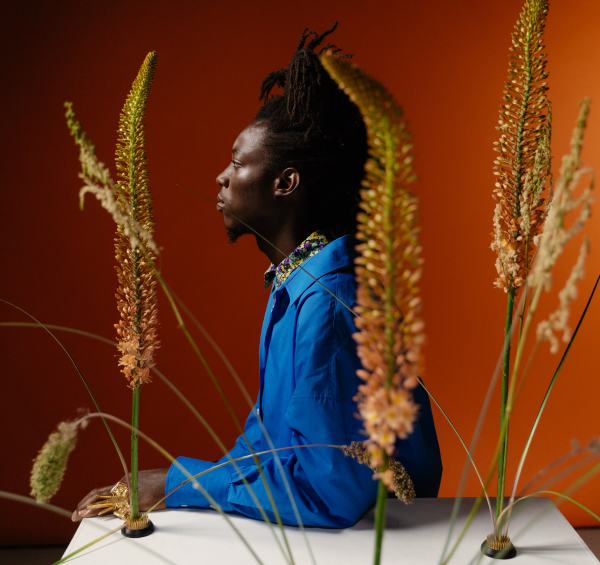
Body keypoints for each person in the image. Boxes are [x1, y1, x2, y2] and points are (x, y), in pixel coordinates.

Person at [73, 23, 442, 529]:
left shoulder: (330, 304)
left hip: (377, 542)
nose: (221, 177)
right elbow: (268, 441)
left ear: (285, 182)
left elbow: (330, 494)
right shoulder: (295, 285)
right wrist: (183, 489)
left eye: (237, 162)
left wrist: (177, 483)